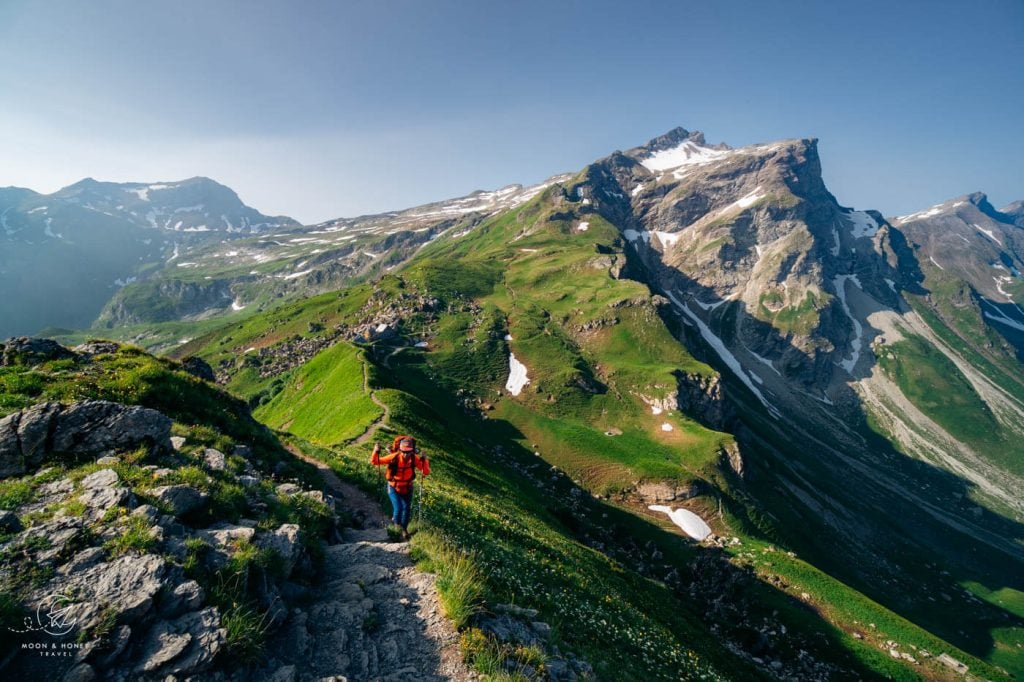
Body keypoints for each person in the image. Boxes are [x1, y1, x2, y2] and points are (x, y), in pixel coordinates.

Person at [370, 435, 430, 540]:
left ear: (412, 451)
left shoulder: (414, 458)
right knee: (399, 508)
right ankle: (396, 526)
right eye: (404, 451)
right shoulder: (394, 457)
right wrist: (375, 451)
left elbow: (425, 471)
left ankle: (404, 529)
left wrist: (425, 460)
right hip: (393, 487)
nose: (406, 454)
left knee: (406, 509)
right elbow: (376, 461)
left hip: (407, 487)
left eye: (408, 452)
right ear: (400, 449)